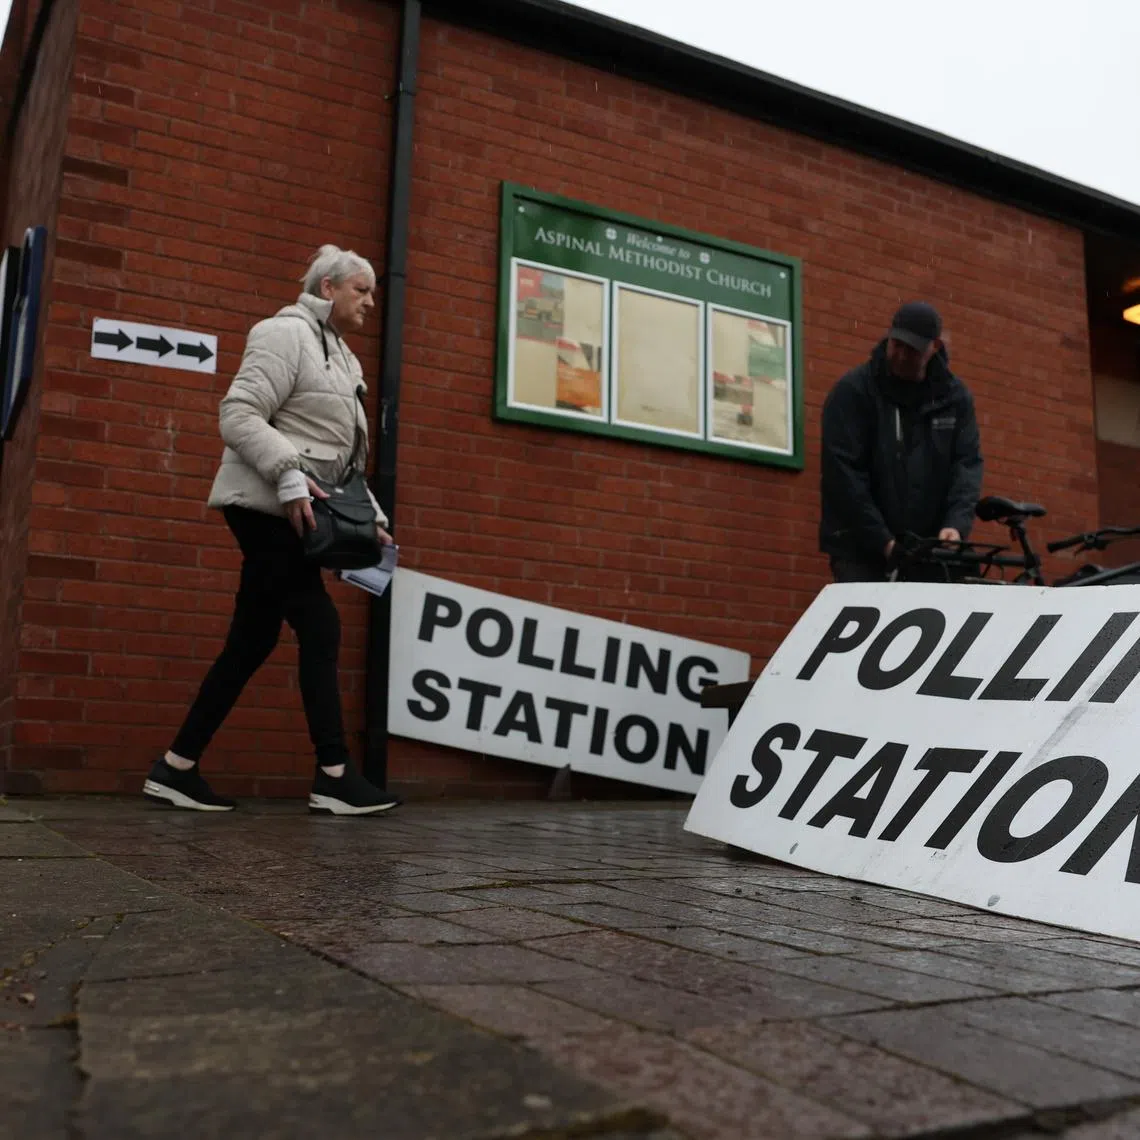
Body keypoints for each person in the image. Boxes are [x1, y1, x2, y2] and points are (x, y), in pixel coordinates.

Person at [144, 245, 400, 816]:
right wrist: (287, 476)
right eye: (362, 289)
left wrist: (373, 519)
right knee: (321, 624)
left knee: (251, 640)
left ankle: (177, 766)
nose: (371, 301)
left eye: (375, 292)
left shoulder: (346, 359)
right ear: (328, 288)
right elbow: (238, 414)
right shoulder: (284, 334)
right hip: (267, 507)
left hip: (299, 510)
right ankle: (333, 774)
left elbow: (345, 459)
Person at [819, 302, 983, 582]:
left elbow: (966, 466)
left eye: (913, 350)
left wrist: (955, 526)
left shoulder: (955, 399)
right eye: (897, 345)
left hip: (926, 551)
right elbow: (843, 475)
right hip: (860, 550)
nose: (902, 356)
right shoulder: (853, 392)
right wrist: (883, 541)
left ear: (934, 347)